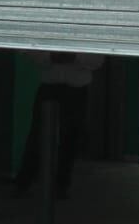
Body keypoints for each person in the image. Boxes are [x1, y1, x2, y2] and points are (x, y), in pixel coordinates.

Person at [14, 50, 105, 199]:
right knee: (37, 135)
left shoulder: (88, 31)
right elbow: (32, 50)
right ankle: (24, 182)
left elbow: (98, 59)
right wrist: (51, 57)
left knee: (70, 137)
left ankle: (61, 185)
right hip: (50, 86)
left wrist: (75, 57)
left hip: (77, 89)